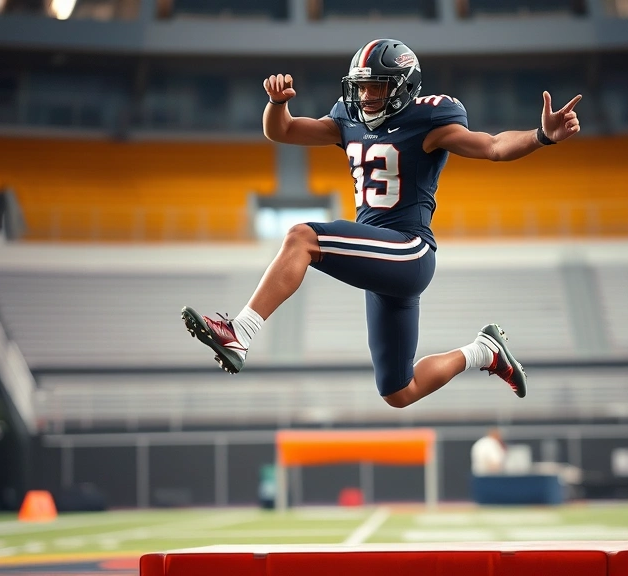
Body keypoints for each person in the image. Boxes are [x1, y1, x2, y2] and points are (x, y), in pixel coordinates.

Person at [181, 38, 582, 408]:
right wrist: (276, 104)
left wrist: (540, 136)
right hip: (382, 262)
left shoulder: (429, 120)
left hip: (409, 249)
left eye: (377, 86)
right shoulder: (347, 118)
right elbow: (282, 131)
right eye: (362, 86)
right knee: (398, 391)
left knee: (302, 237)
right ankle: (484, 351)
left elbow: (493, 147)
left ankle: (241, 333)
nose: (367, 95)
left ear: (404, 86)